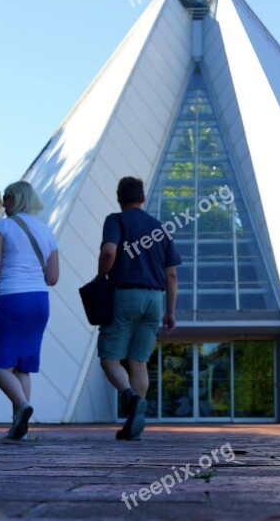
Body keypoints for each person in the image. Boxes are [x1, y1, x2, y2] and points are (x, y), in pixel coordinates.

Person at [0, 181, 59, 440]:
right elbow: (53, 278)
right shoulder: (46, 232)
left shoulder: (2, 227)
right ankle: (17, 425)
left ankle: (22, 407)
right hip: (40, 302)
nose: (2, 203)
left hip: (10, 298)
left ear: (15, 199)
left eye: (5, 198)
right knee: (23, 367)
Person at [97, 177, 180, 440]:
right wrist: (170, 312)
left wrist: (101, 278)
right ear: (143, 198)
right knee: (139, 362)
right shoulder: (160, 229)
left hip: (125, 294)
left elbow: (109, 251)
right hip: (155, 299)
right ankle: (134, 422)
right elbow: (172, 276)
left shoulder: (116, 220)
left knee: (110, 358)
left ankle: (131, 398)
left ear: (119, 197)